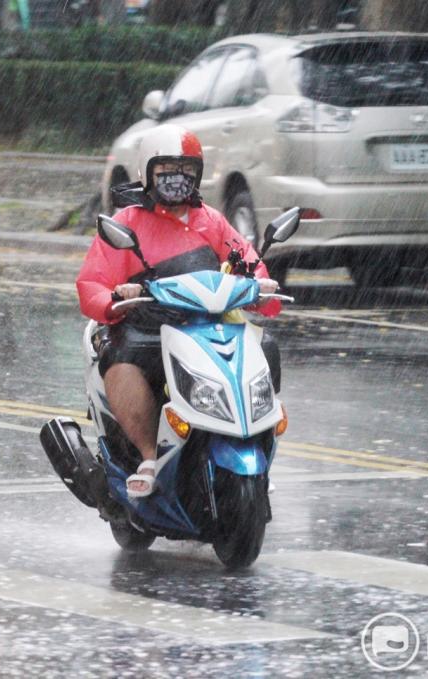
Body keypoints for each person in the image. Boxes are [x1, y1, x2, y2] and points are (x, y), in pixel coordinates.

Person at [76, 124, 282, 499]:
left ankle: (256, 435)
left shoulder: (212, 221)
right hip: (148, 330)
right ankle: (149, 456)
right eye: (166, 170)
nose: (177, 179)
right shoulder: (126, 224)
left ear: (198, 174)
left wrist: (261, 287)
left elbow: (248, 263)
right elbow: (92, 283)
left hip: (206, 326)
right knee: (120, 363)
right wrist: (115, 296)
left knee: (266, 346)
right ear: (147, 172)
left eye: (186, 170)